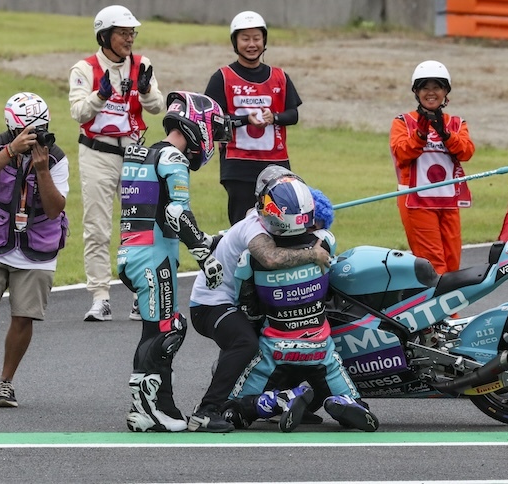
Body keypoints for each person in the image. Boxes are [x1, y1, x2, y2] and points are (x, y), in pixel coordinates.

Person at [222, 185, 379, 433]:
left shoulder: (250, 260)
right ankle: (342, 401)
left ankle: (277, 400)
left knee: (229, 409)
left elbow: (247, 308)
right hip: (321, 352)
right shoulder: (326, 242)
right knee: (359, 404)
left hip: (274, 353)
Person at [187, 165, 331, 433]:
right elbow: (271, 258)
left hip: (241, 301)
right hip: (211, 304)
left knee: (294, 332)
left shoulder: (265, 218)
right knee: (245, 342)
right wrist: (313, 254)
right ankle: (207, 411)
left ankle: (279, 398)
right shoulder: (254, 227)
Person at [118, 91, 230, 432]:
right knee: (169, 330)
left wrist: (207, 238)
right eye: (213, 132)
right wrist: (205, 255)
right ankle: (155, 409)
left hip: (134, 253)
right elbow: (177, 211)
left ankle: (150, 408)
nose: (212, 143)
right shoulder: (174, 158)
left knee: (155, 329)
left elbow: (160, 214)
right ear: (198, 125)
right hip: (154, 258)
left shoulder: (143, 153)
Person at [0, 92, 69, 408]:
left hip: (37, 247)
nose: (36, 135)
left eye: (41, 127)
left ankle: (6, 383)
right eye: (29, 130)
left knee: (24, 316)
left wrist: (43, 170)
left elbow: (53, 210)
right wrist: (10, 152)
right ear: (13, 127)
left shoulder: (57, 158)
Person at [69, 4, 164, 322]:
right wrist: (100, 96)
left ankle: (139, 294)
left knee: (138, 227)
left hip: (136, 154)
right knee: (96, 227)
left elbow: (156, 108)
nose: (130, 38)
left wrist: (147, 89)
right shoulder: (83, 69)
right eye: (123, 33)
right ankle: (100, 296)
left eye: (132, 33)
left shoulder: (142, 64)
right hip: (97, 154)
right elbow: (78, 113)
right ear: (104, 36)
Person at [204, 10, 303, 225]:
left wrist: (274, 117)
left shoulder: (280, 77)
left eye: (256, 38)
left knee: (280, 223)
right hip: (238, 165)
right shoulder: (222, 77)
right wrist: (245, 120)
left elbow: (293, 115)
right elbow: (211, 121)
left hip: (277, 164)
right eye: (245, 39)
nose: (252, 44)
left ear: (264, 40)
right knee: (242, 225)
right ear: (235, 41)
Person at [389, 60, 475, 276]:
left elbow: (466, 152)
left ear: (446, 91)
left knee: (452, 262)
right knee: (433, 263)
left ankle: (452, 309)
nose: (431, 92)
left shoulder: (456, 123)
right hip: (416, 200)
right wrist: (421, 133)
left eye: (436, 87)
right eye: (425, 87)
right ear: (416, 92)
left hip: (448, 199)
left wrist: (446, 134)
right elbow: (401, 153)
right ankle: (441, 310)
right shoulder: (403, 122)